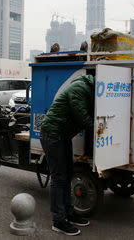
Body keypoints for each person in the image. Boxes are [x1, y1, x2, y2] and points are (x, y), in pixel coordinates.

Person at [40, 74, 95, 236]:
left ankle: (68, 213)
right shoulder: (79, 89)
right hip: (52, 134)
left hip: (62, 135)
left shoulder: (89, 90)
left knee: (68, 174)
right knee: (59, 177)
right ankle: (58, 220)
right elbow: (82, 115)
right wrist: (99, 131)